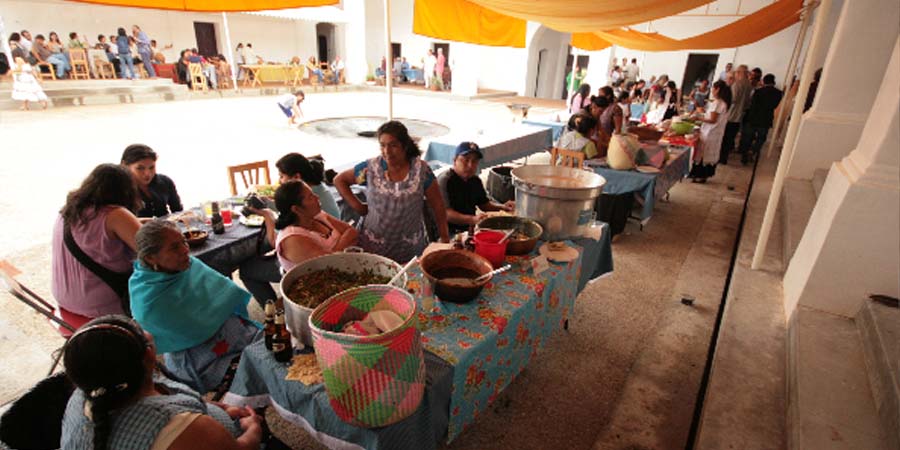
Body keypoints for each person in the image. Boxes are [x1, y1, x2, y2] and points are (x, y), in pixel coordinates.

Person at [60, 315, 265, 450]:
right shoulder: (175, 430)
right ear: (149, 355)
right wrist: (253, 430)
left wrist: (214, 408)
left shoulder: (94, 386)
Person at [129, 220, 261, 393]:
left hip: (234, 333)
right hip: (200, 361)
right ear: (150, 258)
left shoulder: (188, 265)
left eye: (184, 242)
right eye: (174, 247)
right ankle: (244, 415)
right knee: (259, 373)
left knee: (277, 346)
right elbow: (196, 327)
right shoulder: (149, 299)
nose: (185, 250)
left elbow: (225, 294)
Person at [334, 121, 450, 262]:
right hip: (373, 244)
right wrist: (358, 206)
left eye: (393, 145)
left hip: (408, 247)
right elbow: (339, 180)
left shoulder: (421, 171)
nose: (387, 151)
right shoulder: (369, 169)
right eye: (383, 145)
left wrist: (444, 237)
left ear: (405, 145)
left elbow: (437, 205)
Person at [52, 164, 141, 318]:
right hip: (101, 304)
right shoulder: (115, 214)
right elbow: (152, 249)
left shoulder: (69, 210)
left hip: (64, 296)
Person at [253, 181, 359, 273]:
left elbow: (352, 231)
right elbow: (329, 265)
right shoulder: (292, 238)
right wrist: (344, 246)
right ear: (296, 209)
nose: (317, 197)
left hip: (345, 266)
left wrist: (335, 252)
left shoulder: (317, 215)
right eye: (310, 197)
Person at [437, 143, 515, 235]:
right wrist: (472, 219)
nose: (470, 165)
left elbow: (484, 205)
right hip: (447, 231)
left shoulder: (475, 180)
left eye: (474, 161)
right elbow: (446, 213)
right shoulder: (445, 180)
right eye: (465, 160)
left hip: (469, 229)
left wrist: (503, 207)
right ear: (455, 161)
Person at [120, 144, 183, 219]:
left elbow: (178, 212)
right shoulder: (121, 190)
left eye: (151, 167)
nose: (147, 173)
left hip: (166, 228)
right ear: (124, 165)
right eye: (140, 168)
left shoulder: (165, 182)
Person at [689, 80, 732, 183]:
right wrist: (702, 113)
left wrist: (698, 118)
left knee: (704, 154)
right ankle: (700, 175)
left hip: (710, 132)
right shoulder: (721, 103)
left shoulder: (718, 103)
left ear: (718, 90)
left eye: (713, 88)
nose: (712, 90)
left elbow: (712, 120)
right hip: (713, 132)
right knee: (705, 153)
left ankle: (700, 175)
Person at [275, 153, 340, 219]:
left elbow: (286, 210)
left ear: (297, 177)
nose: (279, 181)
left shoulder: (306, 196)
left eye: (281, 176)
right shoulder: (317, 186)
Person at [739, 74, 783, 165]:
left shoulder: (758, 91)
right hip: (766, 119)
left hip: (753, 118)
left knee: (748, 138)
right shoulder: (779, 93)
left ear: (764, 81)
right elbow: (775, 106)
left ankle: (744, 157)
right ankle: (753, 150)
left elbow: (752, 105)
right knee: (761, 138)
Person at [719, 65, 752, 164]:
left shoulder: (737, 84)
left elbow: (733, 99)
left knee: (725, 139)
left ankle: (722, 159)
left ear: (739, 73)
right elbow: (747, 102)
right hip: (739, 115)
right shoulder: (749, 85)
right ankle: (724, 157)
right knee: (730, 138)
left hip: (731, 115)